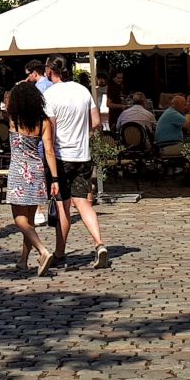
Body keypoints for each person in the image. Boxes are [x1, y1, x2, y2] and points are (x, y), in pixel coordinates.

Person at [42, 56, 109, 270]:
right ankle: (99, 244)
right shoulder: (83, 90)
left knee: (63, 205)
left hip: (62, 157)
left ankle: (60, 253)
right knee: (83, 203)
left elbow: (49, 131)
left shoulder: (49, 94)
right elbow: (97, 122)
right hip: (83, 154)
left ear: (50, 70)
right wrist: (81, 131)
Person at [2, 80, 58, 276]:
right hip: (37, 171)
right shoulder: (43, 122)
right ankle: (23, 260)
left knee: (19, 220)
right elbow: (49, 151)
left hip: (18, 171)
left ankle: (42, 251)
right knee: (30, 221)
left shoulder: (12, 119)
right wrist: (55, 179)